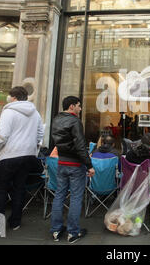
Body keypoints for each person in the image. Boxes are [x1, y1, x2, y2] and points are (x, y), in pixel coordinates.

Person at [0, 86, 44, 238]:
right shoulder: (35, 112)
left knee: (0, 190)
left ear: (13, 97)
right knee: (19, 188)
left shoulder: (8, 111)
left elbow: (2, 136)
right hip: (27, 155)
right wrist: (32, 148)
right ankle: (15, 222)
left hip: (9, 155)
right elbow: (40, 133)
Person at [49, 96, 95, 243]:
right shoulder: (75, 121)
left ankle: (56, 230)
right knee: (75, 197)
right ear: (71, 106)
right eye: (78, 106)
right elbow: (80, 146)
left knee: (59, 195)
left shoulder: (56, 120)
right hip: (75, 165)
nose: (80, 108)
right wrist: (89, 165)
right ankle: (73, 232)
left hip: (61, 162)